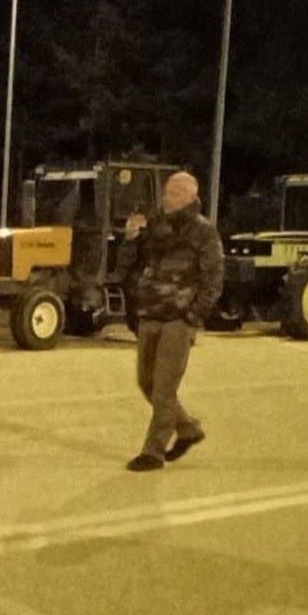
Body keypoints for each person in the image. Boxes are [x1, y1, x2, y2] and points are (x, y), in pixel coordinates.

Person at [115, 171, 223, 472]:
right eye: (167, 192)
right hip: (149, 313)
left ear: (191, 197)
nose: (168, 198)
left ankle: (153, 452)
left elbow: (213, 278)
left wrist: (194, 315)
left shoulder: (203, 231)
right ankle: (187, 427)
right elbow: (127, 266)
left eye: (176, 193)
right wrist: (130, 239)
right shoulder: (154, 226)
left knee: (164, 389)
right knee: (146, 383)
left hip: (178, 318)